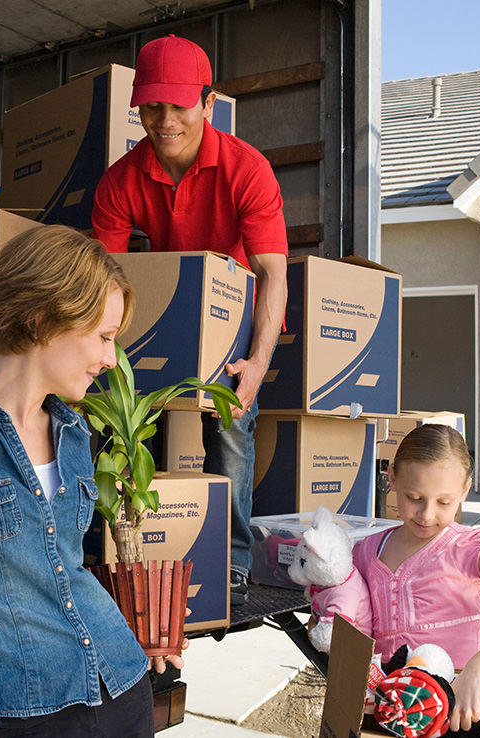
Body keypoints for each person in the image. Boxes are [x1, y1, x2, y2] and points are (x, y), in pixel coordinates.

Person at [92, 35, 289, 604]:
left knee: (229, 425)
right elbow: (101, 277)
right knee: (110, 419)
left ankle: (232, 563)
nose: (164, 120)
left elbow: (273, 276)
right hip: (156, 319)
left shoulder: (246, 169)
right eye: (152, 105)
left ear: (207, 103)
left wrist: (256, 365)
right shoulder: (120, 180)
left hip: (227, 326)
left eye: (179, 105)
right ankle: (107, 551)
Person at [0, 225, 184, 736]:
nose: (110, 359)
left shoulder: (73, 432)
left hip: (118, 681)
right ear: (44, 320)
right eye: (104, 337)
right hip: (23, 710)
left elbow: (60, 566)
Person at [352, 425, 480, 733]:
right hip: (387, 713)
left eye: (444, 502)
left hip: (458, 714)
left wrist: (479, 671)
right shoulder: (367, 550)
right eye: (414, 497)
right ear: (392, 477)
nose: (427, 514)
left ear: (465, 490)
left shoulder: (473, 548)